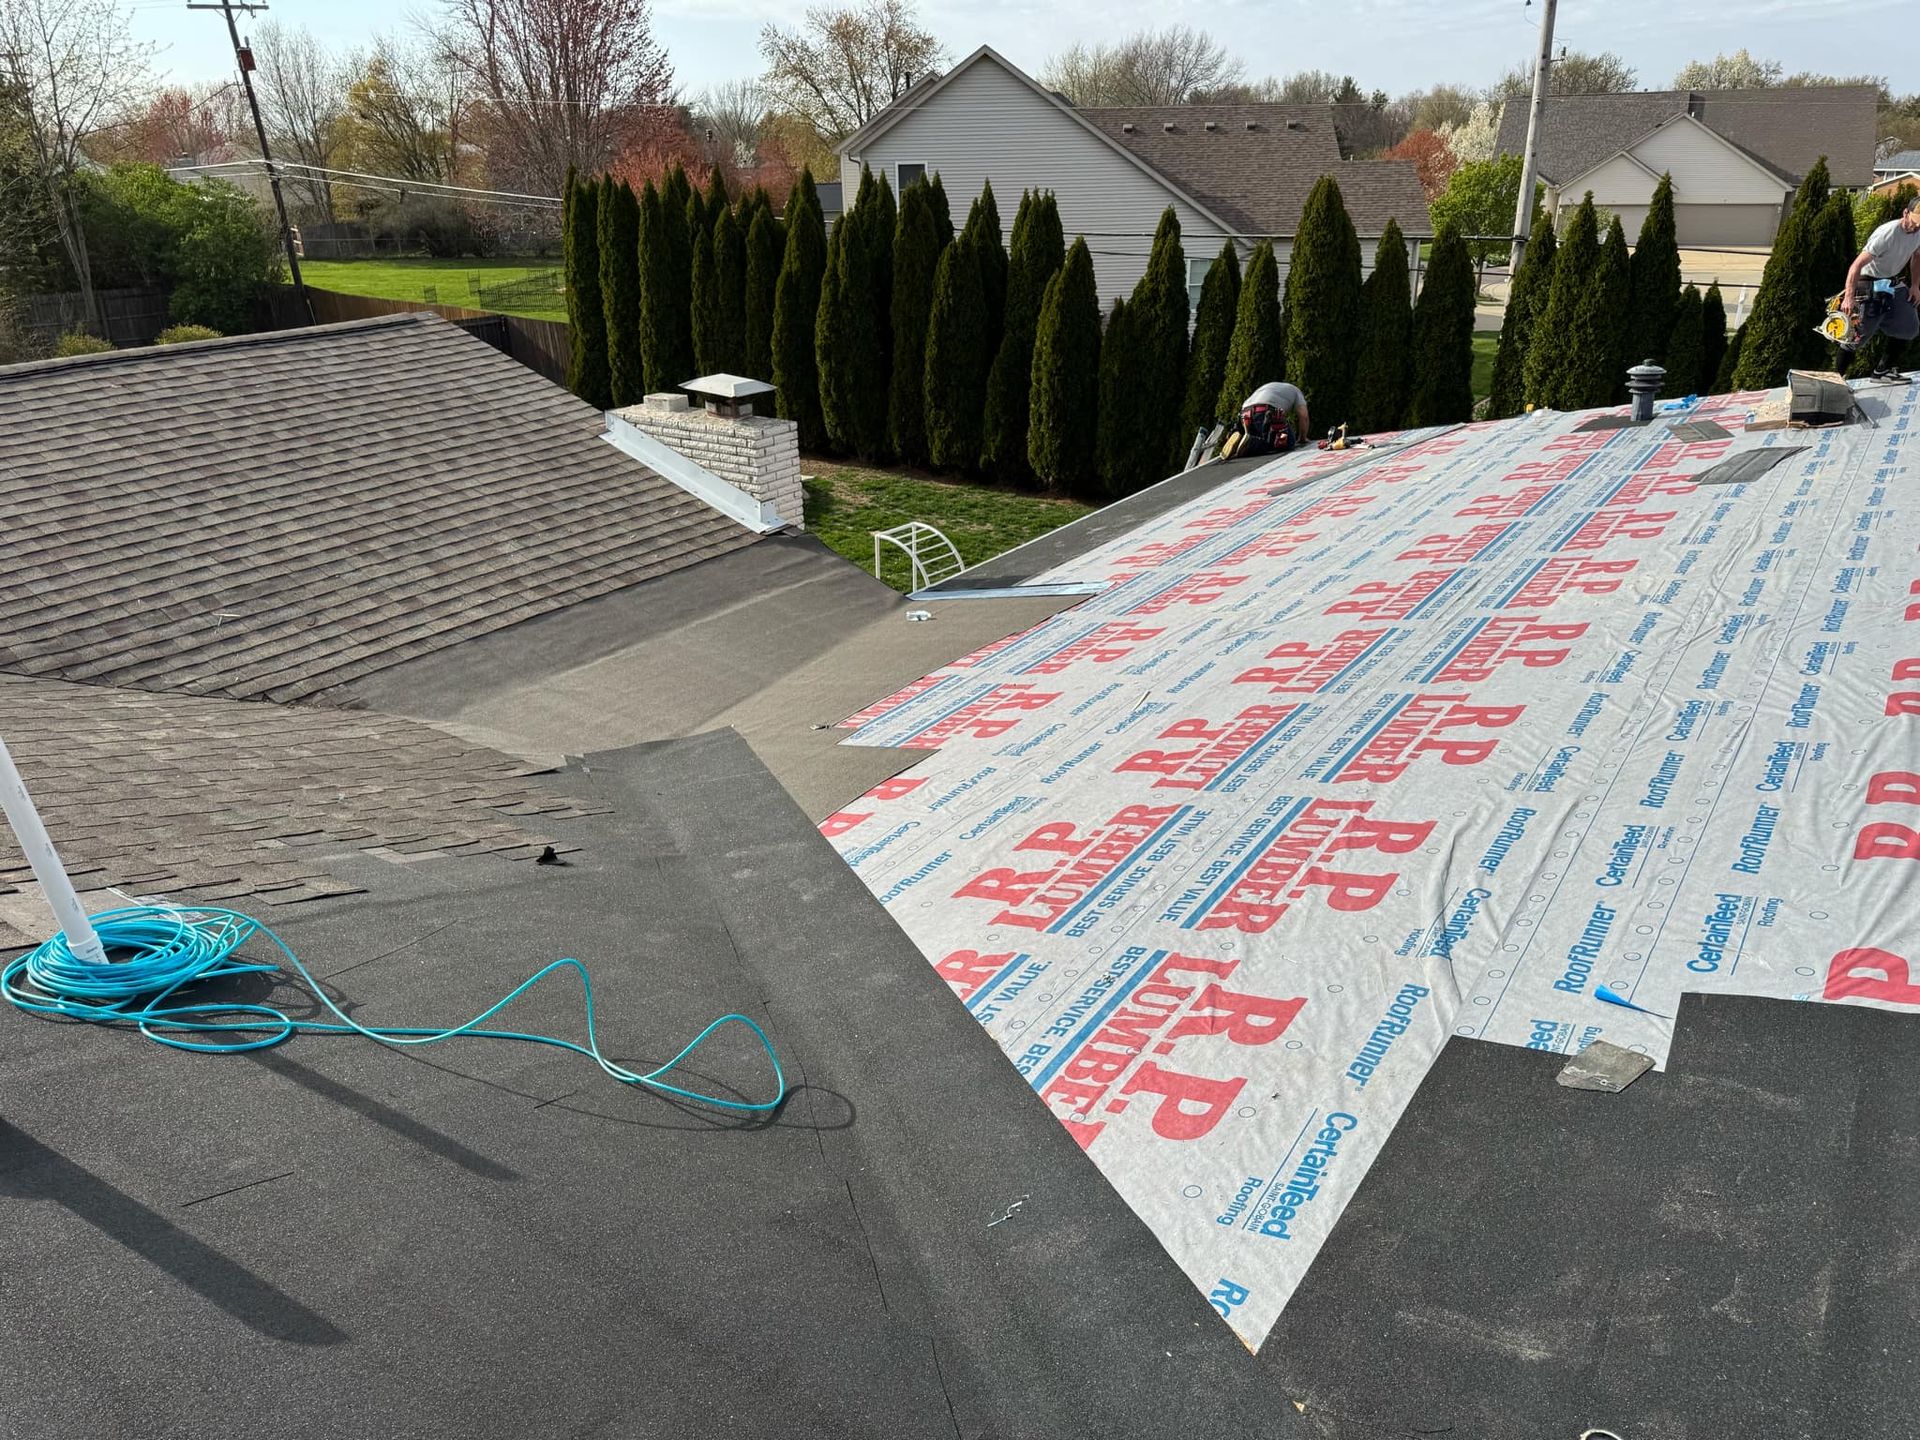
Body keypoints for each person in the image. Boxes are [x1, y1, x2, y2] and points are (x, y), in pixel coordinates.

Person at [1839, 194, 1920, 357]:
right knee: (1856, 336)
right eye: (1915, 223)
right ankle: (1836, 376)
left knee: (1909, 327)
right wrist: (1849, 297)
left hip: (1891, 282)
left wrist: (1915, 286)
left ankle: (1883, 371)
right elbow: (1856, 265)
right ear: (1906, 213)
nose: (1916, 228)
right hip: (1868, 282)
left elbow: (1917, 256)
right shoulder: (1886, 234)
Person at [1233, 380, 1310, 457]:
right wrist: (1302, 438)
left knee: (1260, 439)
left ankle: (1240, 440)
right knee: (1286, 442)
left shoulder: (1270, 386)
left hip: (1245, 413)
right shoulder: (1297, 391)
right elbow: (1304, 416)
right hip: (1266, 412)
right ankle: (1250, 444)